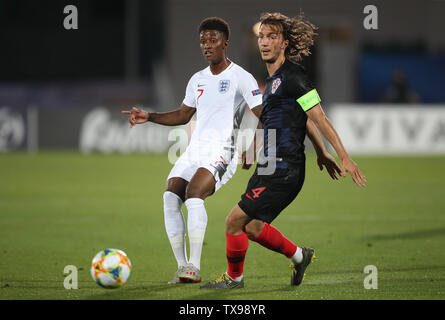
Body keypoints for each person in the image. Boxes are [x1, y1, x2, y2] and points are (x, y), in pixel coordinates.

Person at [200, 12, 367, 289]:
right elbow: (296, 119)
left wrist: (343, 156)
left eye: (272, 37)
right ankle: (300, 256)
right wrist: (319, 152)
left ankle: (234, 279)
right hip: (268, 165)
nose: (265, 42)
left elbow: (319, 117)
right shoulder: (272, 83)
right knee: (252, 227)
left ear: (285, 43)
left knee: (233, 221)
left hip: (283, 167)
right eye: (261, 37)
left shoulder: (293, 75)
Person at [121, 17, 264, 284]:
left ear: (225, 43)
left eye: (213, 40)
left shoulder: (240, 77)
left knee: (194, 193)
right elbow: (184, 115)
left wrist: (254, 147)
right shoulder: (197, 79)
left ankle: (195, 267)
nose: (207, 45)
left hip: (223, 150)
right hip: (195, 149)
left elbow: (262, 113)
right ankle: (182, 266)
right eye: (203, 41)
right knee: (170, 195)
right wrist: (149, 116)